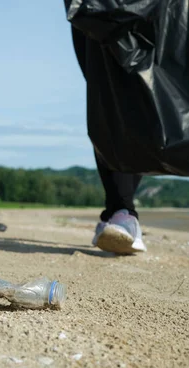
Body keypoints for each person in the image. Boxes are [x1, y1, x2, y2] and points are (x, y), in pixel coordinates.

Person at [69, 25, 147, 255]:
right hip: (87, 13)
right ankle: (116, 212)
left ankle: (123, 213)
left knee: (127, 103)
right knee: (103, 102)